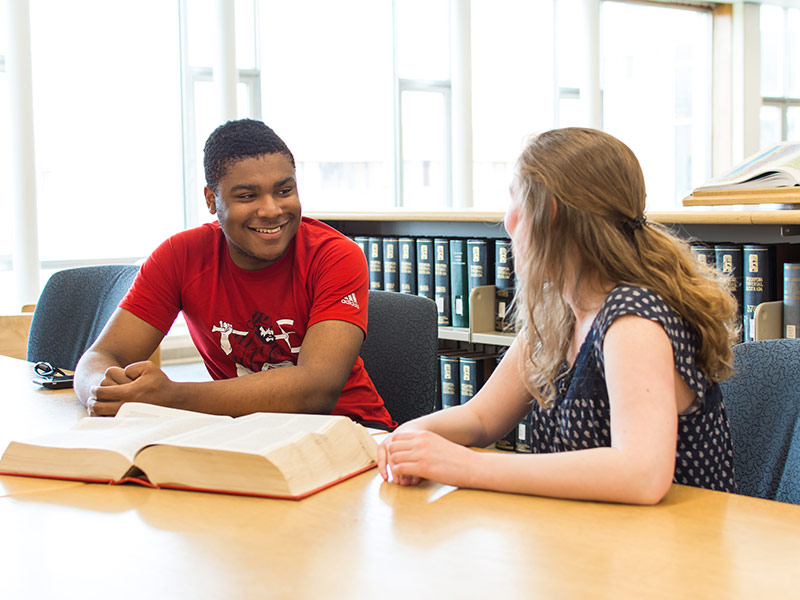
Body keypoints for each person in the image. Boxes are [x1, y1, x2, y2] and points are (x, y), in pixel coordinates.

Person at [377, 127, 738, 504]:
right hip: (591, 536)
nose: (508, 221)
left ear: (547, 214)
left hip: (676, 547)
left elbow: (642, 475)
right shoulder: (558, 309)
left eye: (515, 201)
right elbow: (482, 419)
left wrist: (468, 468)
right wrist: (408, 438)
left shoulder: (633, 321)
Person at [74, 118, 395, 430]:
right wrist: (103, 392)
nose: (271, 210)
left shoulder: (335, 256)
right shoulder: (179, 257)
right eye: (247, 196)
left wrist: (172, 397)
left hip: (353, 432)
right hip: (248, 434)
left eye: (284, 191)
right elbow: (101, 356)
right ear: (212, 200)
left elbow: (316, 389)